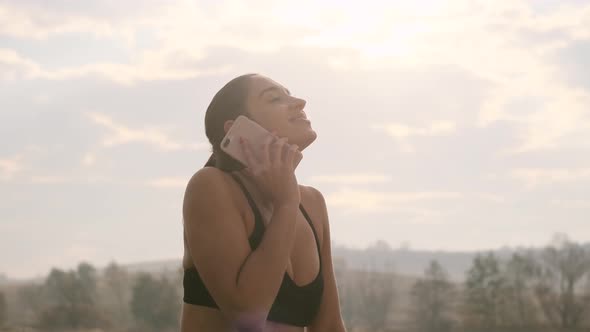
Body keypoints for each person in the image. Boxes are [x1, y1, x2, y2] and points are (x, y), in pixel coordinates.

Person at [180, 74, 347, 332]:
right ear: (238, 129)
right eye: (275, 98)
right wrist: (286, 204)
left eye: (291, 94)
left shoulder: (313, 203)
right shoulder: (210, 186)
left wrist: (289, 200)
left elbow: (330, 326)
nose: (300, 102)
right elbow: (247, 314)